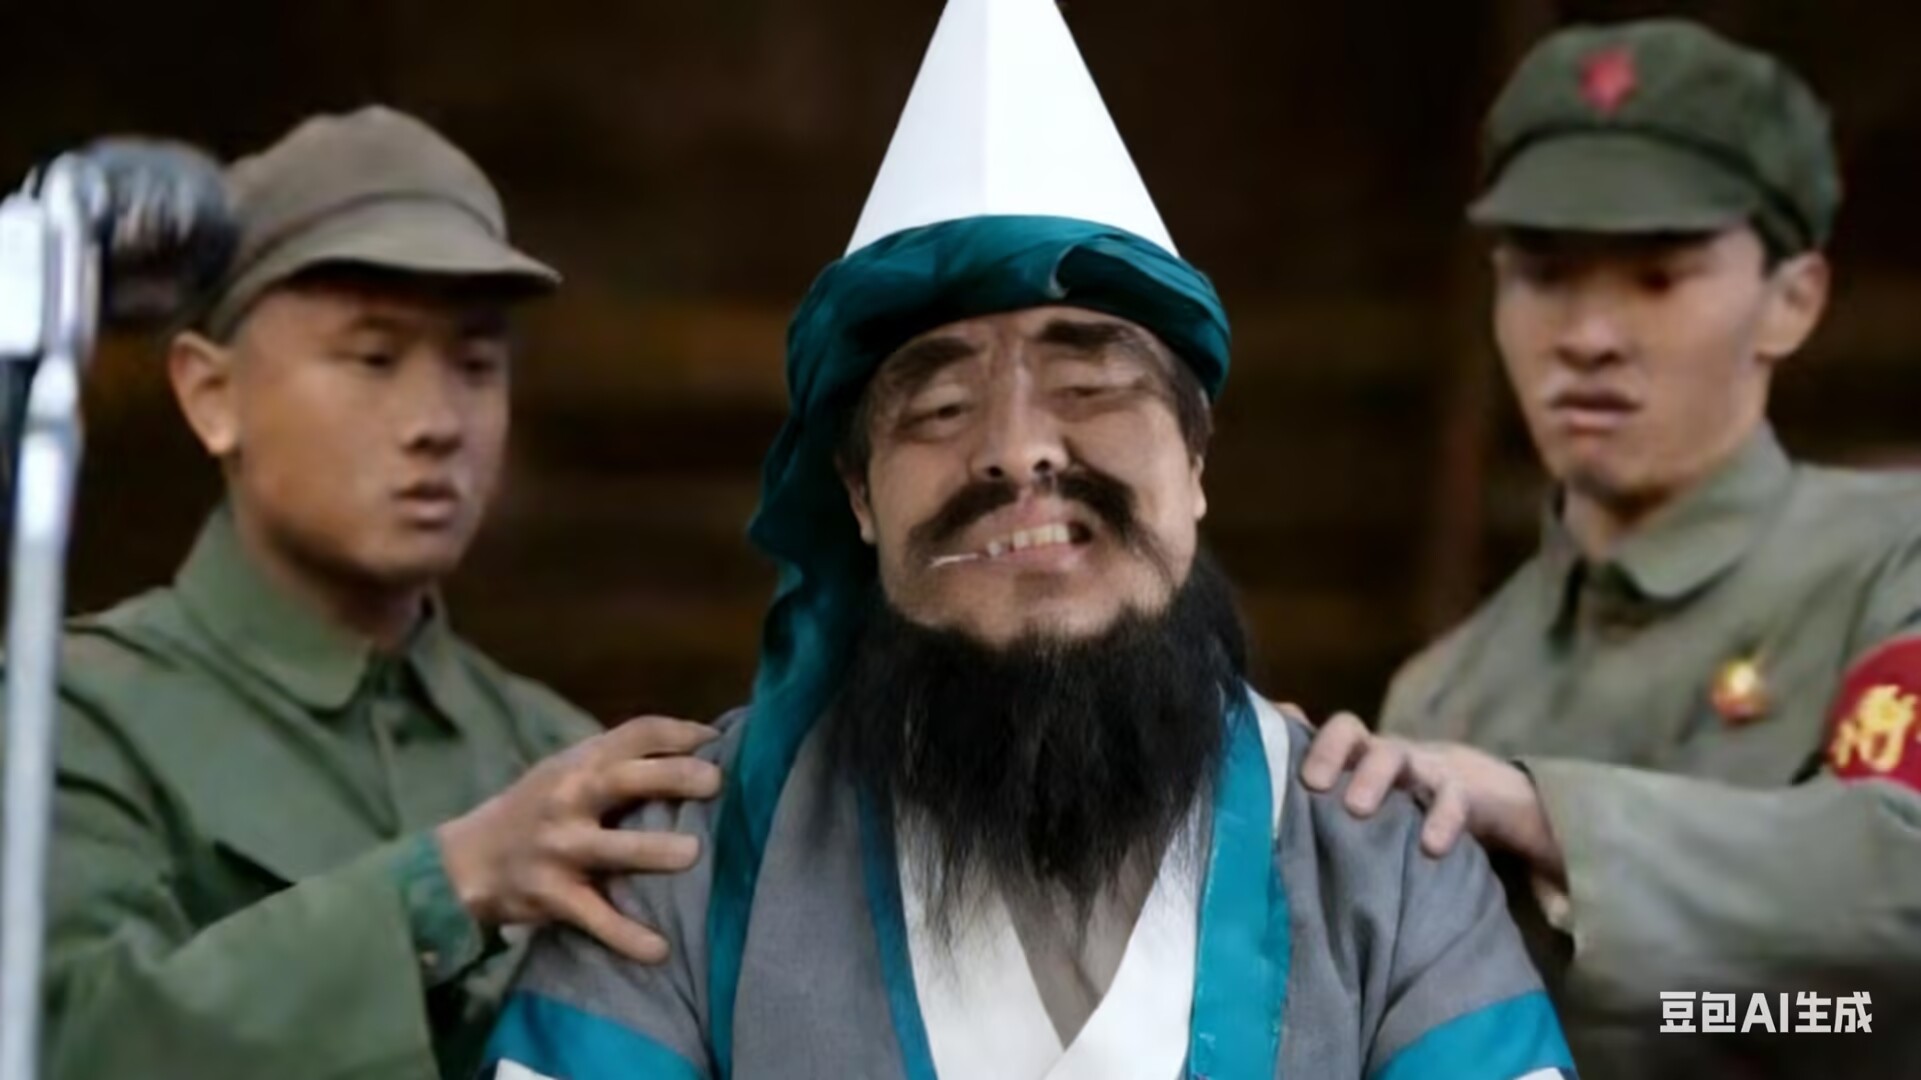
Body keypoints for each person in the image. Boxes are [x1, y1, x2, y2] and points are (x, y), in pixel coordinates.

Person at [481, 3, 1575, 1078]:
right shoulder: (679, 859)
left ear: (1196, 462)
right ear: (858, 497)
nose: (1016, 450)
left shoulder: (1383, 859)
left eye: (1089, 383)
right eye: (940, 407)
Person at [37, 107, 716, 1080]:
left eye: (475, 366)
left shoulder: (552, 759)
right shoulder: (69, 719)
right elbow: (66, 1042)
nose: (436, 421)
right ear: (210, 395)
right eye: (374, 358)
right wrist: (448, 886)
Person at [1303, 19, 1921, 1078]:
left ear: (1792, 300)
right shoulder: (1447, 692)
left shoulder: (1890, 559)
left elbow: (1899, 881)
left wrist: (1541, 816)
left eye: (1657, 277)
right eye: (1542, 275)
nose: (1586, 336)